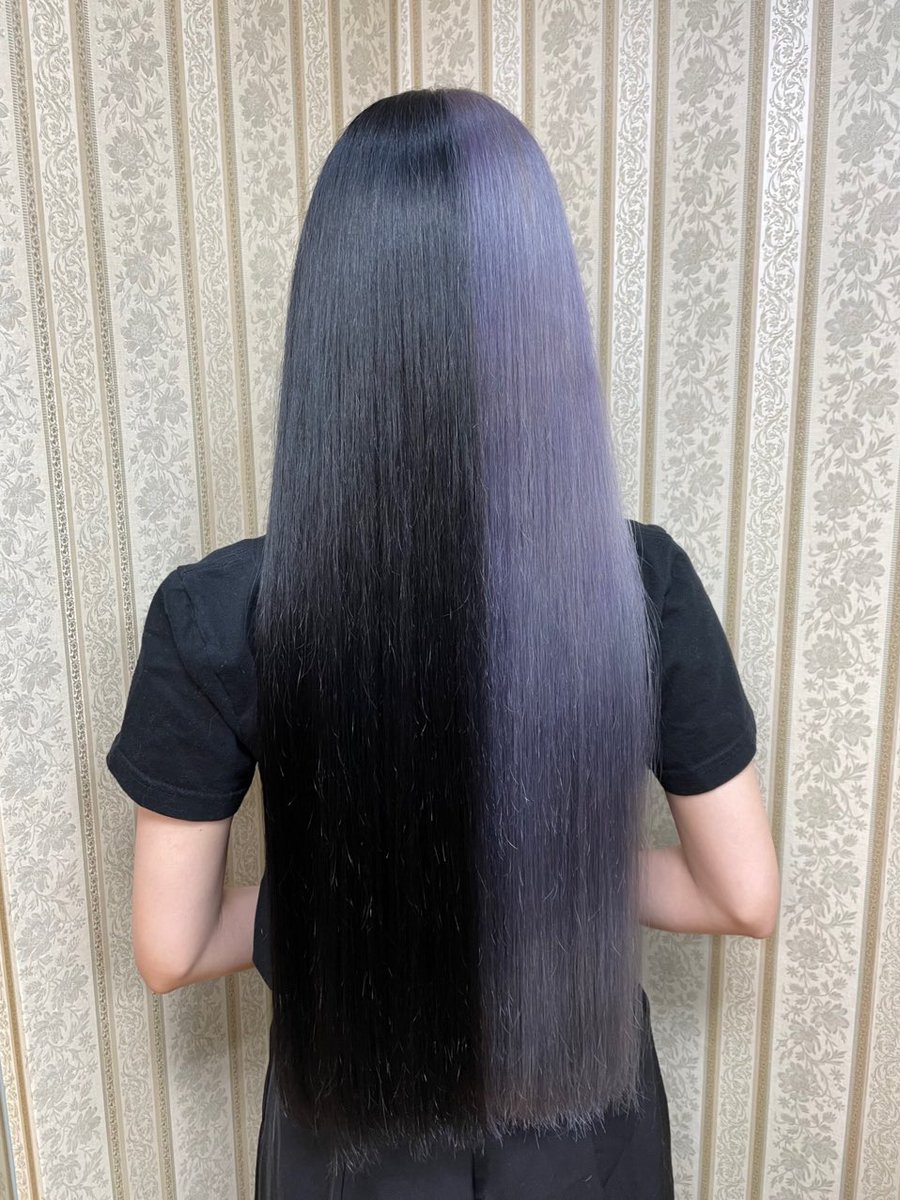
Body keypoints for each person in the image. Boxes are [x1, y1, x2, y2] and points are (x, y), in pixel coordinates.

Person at [107, 88, 780, 1200]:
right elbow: (741, 896)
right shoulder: (640, 584)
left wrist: (382, 891)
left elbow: (169, 949)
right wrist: (534, 875)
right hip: (586, 1148)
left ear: (332, 320)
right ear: (544, 313)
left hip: (346, 1148)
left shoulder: (218, 611)